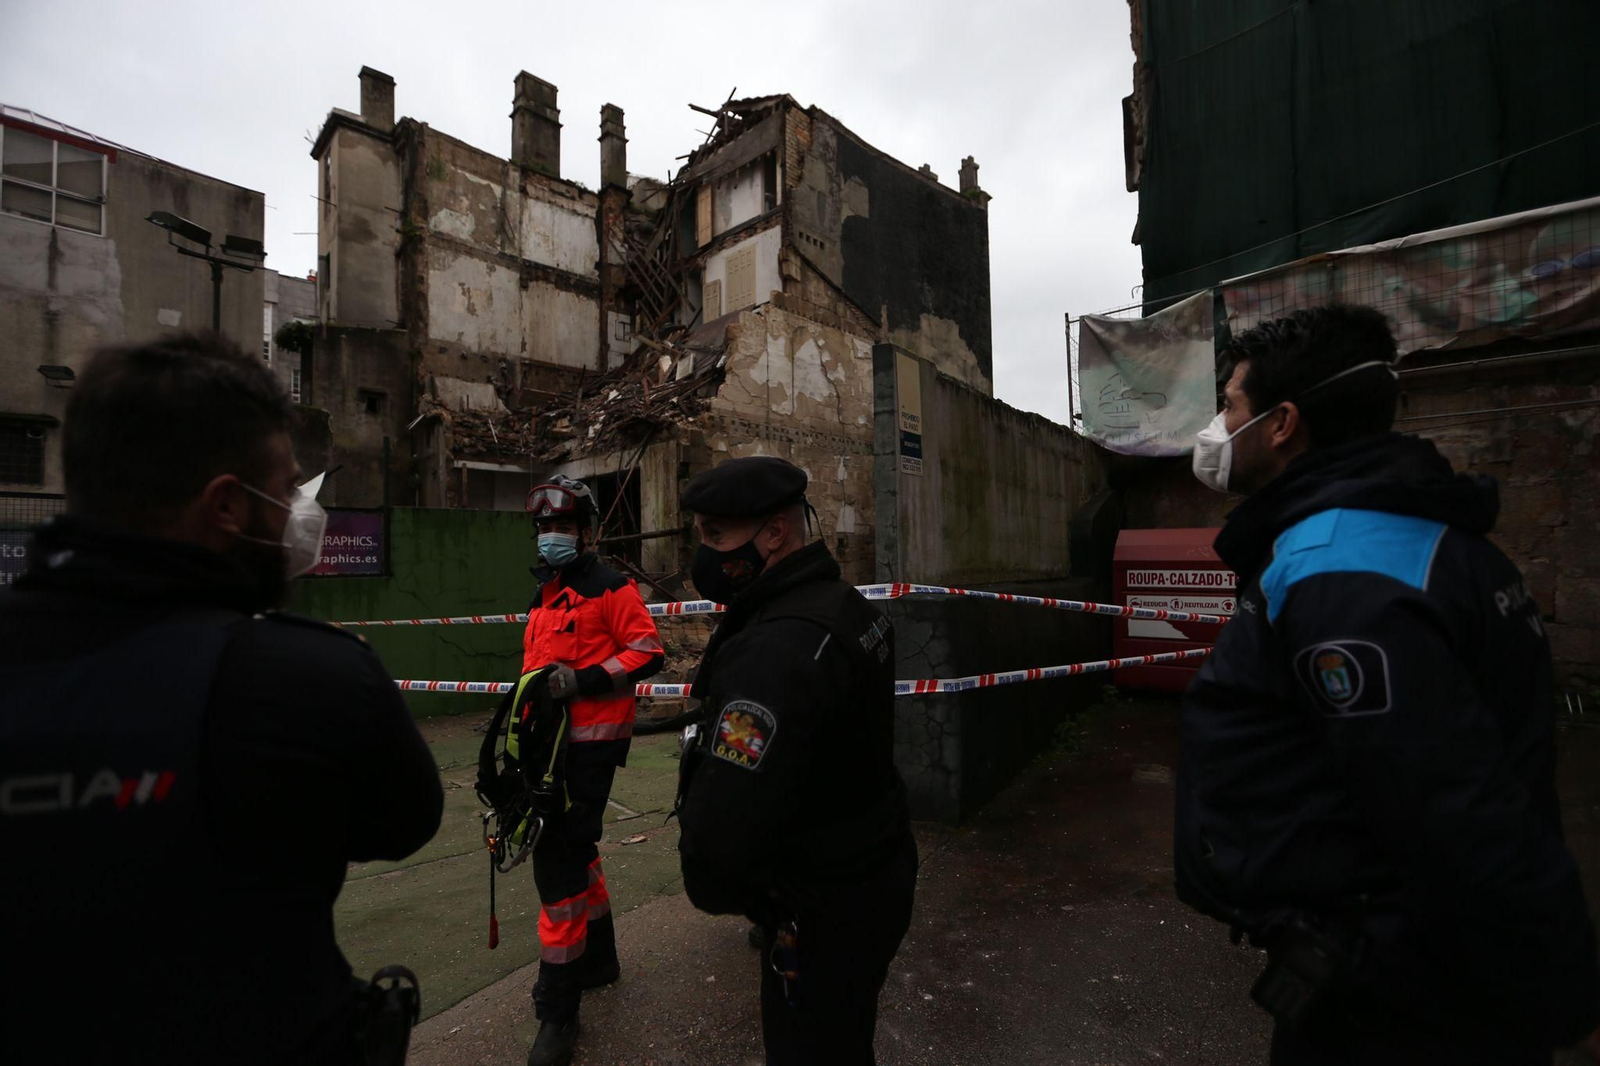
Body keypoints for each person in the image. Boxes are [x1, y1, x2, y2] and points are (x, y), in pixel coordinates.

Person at [0, 334, 444, 1065]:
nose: (297, 516)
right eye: (286, 490)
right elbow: (402, 822)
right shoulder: (314, 684)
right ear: (229, 507)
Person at [1174, 305, 1600, 1064]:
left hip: (1397, 998)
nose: (1217, 427)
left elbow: (1453, 807)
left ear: (1281, 425)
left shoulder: (1342, 572)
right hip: (1401, 972)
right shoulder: (1412, 531)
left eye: (1229, 406)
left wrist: (1559, 994)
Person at [675, 456, 917, 1066]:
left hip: (819, 909)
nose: (703, 553)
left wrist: (742, 890)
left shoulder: (774, 652)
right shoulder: (844, 607)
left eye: (716, 536)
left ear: (774, 533)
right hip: (872, 876)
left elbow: (722, 837)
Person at [520, 475, 664, 1066]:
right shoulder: (544, 595)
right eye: (544, 527)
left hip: (592, 753)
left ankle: (559, 1010)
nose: (552, 536)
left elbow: (649, 651)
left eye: (563, 526)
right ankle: (599, 960)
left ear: (586, 532)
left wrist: (585, 679)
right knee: (578, 853)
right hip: (546, 753)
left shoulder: (611, 589)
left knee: (557, 873)